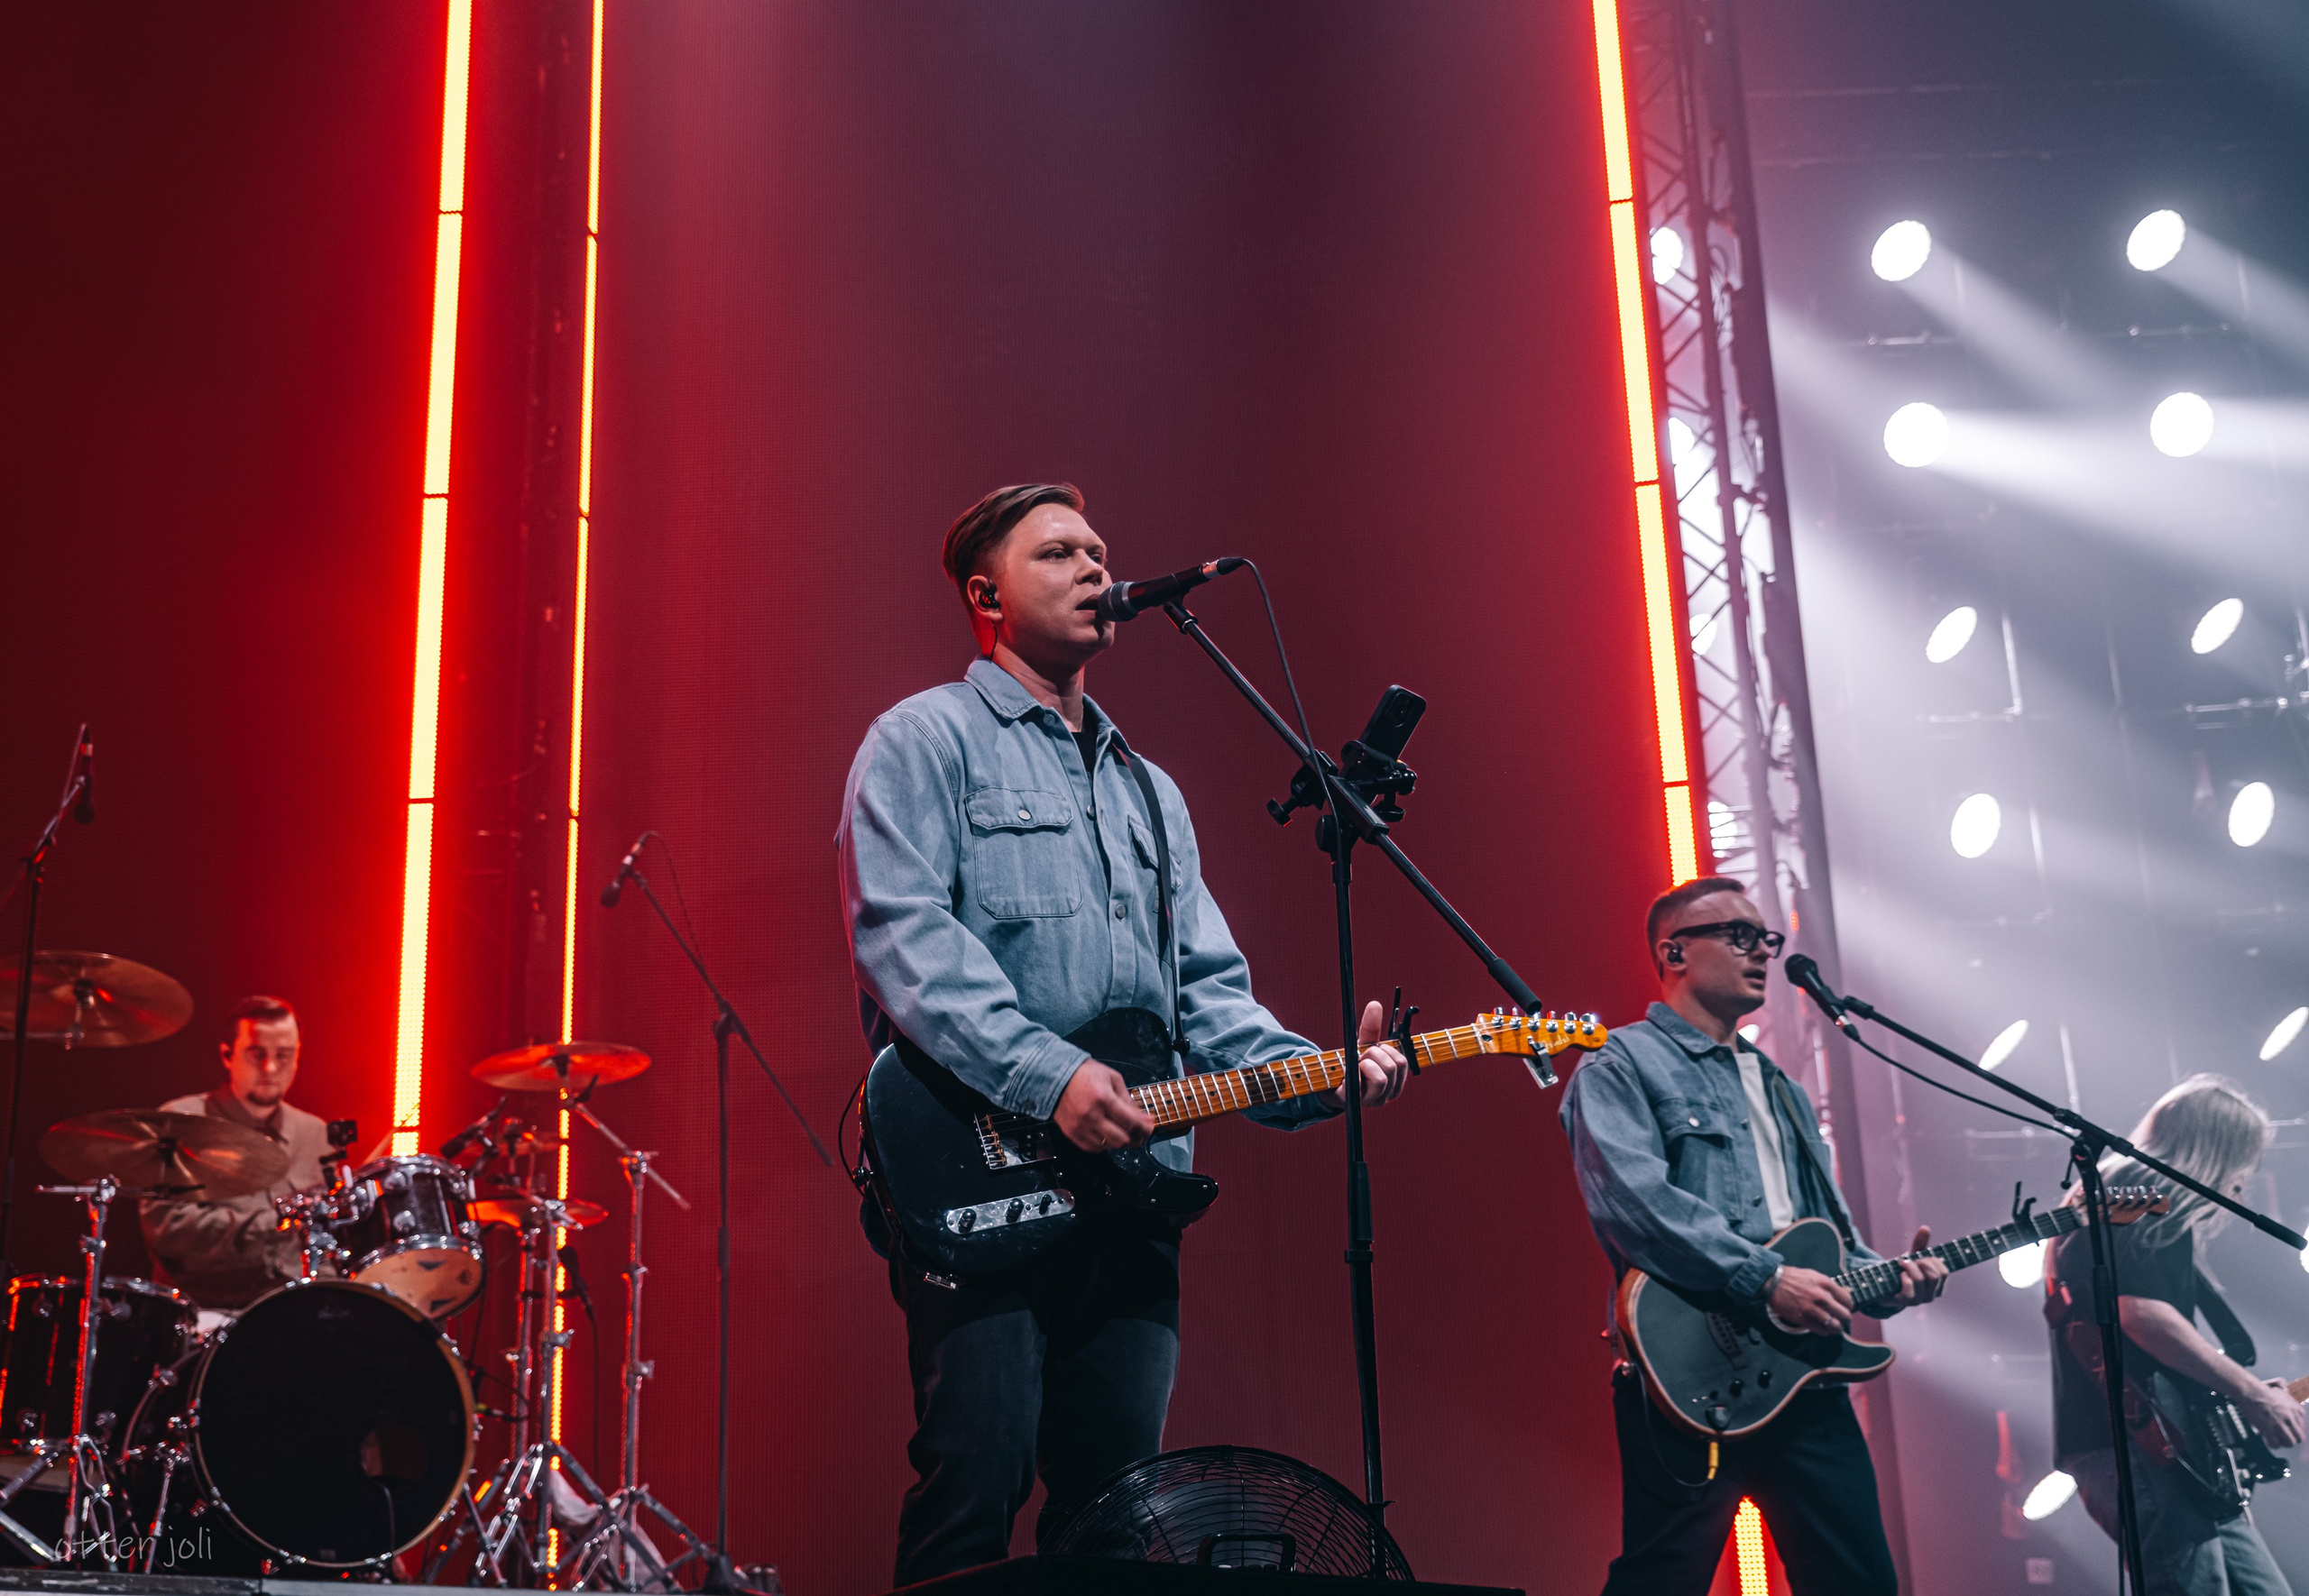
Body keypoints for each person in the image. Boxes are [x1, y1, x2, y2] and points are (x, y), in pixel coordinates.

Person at [837, 482, 1410, 1584]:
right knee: (975, 1479)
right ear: (985, 594)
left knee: (1115, 1505)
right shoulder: (923, 740)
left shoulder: (1152, 793)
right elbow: (902, 938)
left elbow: (1206, 994)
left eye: (1100, 550)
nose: (1097, 568)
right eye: (1059, 553)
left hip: (1132, 1189)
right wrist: (1048, 1076)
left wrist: (1317, 1075)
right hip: (974, 1174)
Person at [1559, 875, 1947, 1595]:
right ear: (1674, 953)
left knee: (1859, 1581)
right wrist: (1765, 1278)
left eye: (1767, 938)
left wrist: (1889, 1278)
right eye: (1738, 935)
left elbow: (1822, 1234)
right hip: (1686, 1378)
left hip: (1804, 1378)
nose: (1764, 951)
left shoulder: (1781, 1088)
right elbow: (1635, 1205)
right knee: (1662, 1578)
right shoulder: (1620, 1063)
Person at [2045, 1074, 2304, 1595]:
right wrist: (2251, 1393)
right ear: (2216, 1152)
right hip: (2138, 1447)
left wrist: (2236, 1395)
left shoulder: (2127, 1196)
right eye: (2243, 1159)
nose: (2242, 1180)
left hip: (2172, 1451)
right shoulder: (2136, 1195)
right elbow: (2141, 1317)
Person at [138, 994, 336, 1313]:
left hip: (296, 1312)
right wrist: (278, 1222)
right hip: (205, 1317)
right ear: (227, 1055)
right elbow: (170, 1232)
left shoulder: (317, 1135)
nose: (271, 1068)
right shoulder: (180, 1122)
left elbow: (330, 1248)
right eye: (256, 1054)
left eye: (284, 1055)